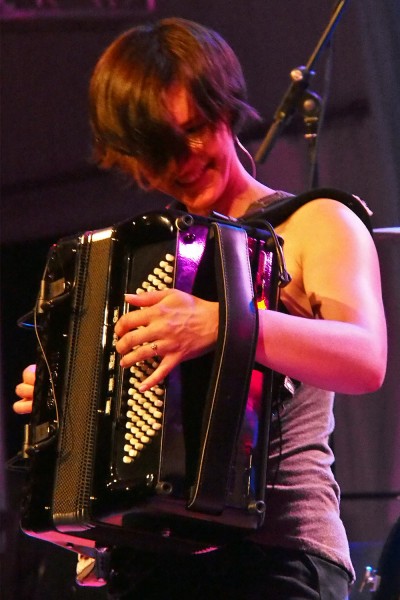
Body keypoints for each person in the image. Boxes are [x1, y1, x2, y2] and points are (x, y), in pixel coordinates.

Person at [13, 17, 387, 600]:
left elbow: (366, 358)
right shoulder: (134, 262)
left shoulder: (314, 222)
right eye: (159, 151)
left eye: (193, 131)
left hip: (281, 559)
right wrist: (68, 405)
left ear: (226, 108)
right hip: (151, 562)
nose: (184, 161)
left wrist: (220, 323)